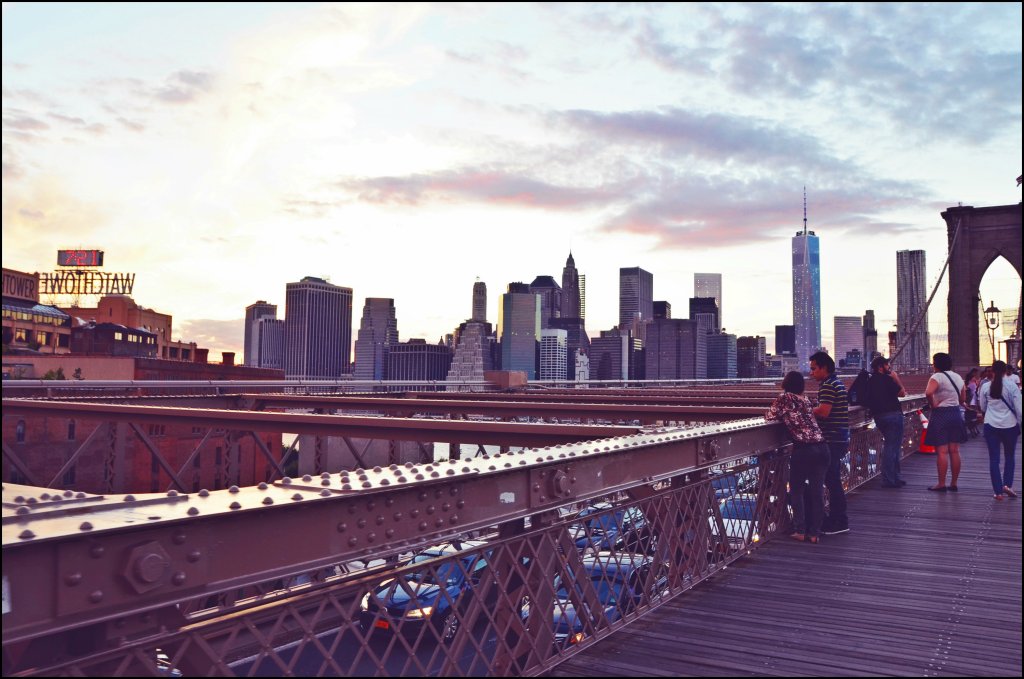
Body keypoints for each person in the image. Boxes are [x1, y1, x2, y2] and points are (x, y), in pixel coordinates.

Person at [765, 371, 829, 543]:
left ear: (785, 383)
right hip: (822, 447)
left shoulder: (784, 398)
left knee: (796, 490)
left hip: (804, 449)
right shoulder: (806, 400)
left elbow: (770, 417)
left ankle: (800, 530)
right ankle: (815, 533)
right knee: (817, 492)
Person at [809, 351, 850, 535]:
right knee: (834, 481)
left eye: (813, 369)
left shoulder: (827, 385)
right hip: (840, 437)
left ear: (824, 368)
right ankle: (838, 519)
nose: (811, 373)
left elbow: (824, 412)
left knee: (832, 481)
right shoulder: (838, 383)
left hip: (832, 439)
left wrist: (808, 409)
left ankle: (838, 521)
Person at [977, 360, 1023, 500]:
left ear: (992, 371)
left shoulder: (985, 387)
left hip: (991, 425)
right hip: (1010, 426)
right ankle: (1007, 485)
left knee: (994, 459)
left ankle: (997, 492)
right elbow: (1019, 409)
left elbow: (983, 407)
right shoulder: (1012, 386)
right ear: (1005, 371)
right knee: (1009, 457)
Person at [924, 352, 967, 492]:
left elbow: (928, 393)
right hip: (955, 413)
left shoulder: (937, 376)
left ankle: (941, 484)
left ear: (936, 364)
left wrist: (933, 404)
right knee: (955, 450)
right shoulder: (958, 377)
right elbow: (962, 399)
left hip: (941, 414)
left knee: (942, 451)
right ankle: (954, 483)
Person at [865, 356, 908, 488]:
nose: (889, 368)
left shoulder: (869, 381)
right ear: (880, 367)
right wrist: (896, 378)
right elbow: (902, 393)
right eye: (887, 365)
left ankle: (894, 477)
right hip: (893, 416)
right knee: (892, 448)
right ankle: (890, 479)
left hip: (879, 417)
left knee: (890, 446)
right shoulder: (887, 379)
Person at [963, 368, 982, 437]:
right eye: (976, 373)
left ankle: (973, 429)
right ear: (974, 372)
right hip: (972, 398)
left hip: (970, 398)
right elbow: (975, 388)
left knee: (970, 415)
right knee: (973, 415)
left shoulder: (968, 380)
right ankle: (973, 429)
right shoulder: (973, 379)